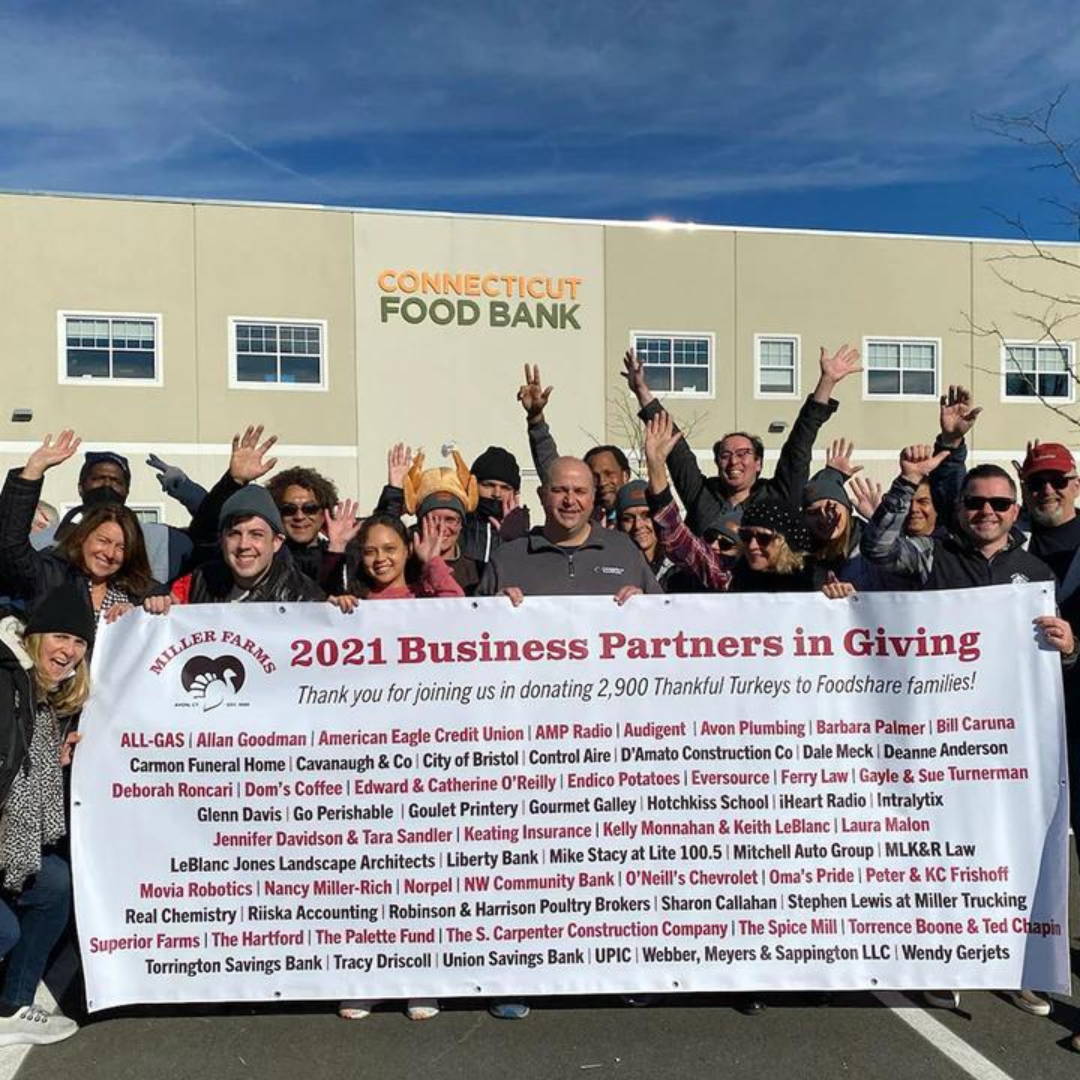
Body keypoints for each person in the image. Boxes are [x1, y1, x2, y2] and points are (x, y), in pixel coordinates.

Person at [333, 513, 460, 1019]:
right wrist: (335, 607)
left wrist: (433, 565)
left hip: (421, 758)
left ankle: (421, 978)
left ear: (405, 549)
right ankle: (367, 976)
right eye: (370, 551)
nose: (380, 558)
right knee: (368, 875)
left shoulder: (425, 603)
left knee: (420, 875)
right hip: (364, 761)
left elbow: (462, 616)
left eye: (390, 548)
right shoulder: (351, 607)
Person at [622, 344, 861, 535]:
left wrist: (826, 382)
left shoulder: (779, 496)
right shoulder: (701, 495)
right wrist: (642, 392)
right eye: (725, 455)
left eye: (743, 454)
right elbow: (677, 451)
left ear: (758, 463)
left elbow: (799, 444)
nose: (733, 461)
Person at [0, 584, 92, 1045]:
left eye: (78, 642)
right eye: (60, 637)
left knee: (54, 884)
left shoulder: (39, 701)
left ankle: (11, 1008)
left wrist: (51, 758)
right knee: (4, 931)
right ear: (34, 636)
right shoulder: (5, 683)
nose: (69, 651)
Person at [0, 431, 161, 624]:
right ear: (83, 537)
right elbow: (11, 545)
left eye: (122, 547)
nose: (110, 553)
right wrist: (33, 471)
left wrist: (156, 609)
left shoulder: (143, 591)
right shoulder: (50, 576)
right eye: (103, 541)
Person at [476, 457, 661, 603]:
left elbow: (664, 621)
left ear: (593, 497)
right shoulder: (506, 559)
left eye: (580, 491)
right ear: (542, 495)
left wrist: (646, 606)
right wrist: (493, 610)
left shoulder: (625, 551)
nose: (570, 501)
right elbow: (472, 632)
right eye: (559, 490)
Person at [31, 449, 194, 581]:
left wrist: (187, 490)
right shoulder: (44, 542)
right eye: (98, 478)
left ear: (127, 491)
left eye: (116, 481)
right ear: (81, 487)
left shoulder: (163, 539)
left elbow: (212, 537)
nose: (107, 485)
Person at [169, 486, 325, 605]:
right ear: (222, 540)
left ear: (276, 542)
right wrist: (160, 605)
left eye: (256, 534)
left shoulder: (304, 599)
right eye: (234, 534)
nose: (244, 545)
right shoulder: (198, 582)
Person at [518, 365, 631, 524]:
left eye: (609, 473)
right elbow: (551, 466)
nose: (603, 482)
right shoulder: (580, 520)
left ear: (625, 475)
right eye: (594, 477)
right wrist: (536, 419)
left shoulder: (646, 518)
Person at [264, 466, 359, 595]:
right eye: (289, 509)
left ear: (324, 514)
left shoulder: (342, 554)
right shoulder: (266, 556)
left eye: (310, 508)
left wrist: (336, 550)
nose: (299, 516)